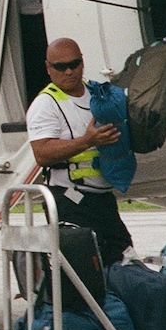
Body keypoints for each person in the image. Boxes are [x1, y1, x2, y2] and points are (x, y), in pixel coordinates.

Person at [26, 37, 134, 266]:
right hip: (69, 199)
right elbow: (41, 153)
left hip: (103, 198)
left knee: (123, 259)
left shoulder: (99, 94)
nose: (68, 71)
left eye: (74, 64)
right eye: (60, 67)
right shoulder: (45, 104)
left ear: (82, 63)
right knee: (85, 267)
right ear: (48, 68)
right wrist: (86, 141)